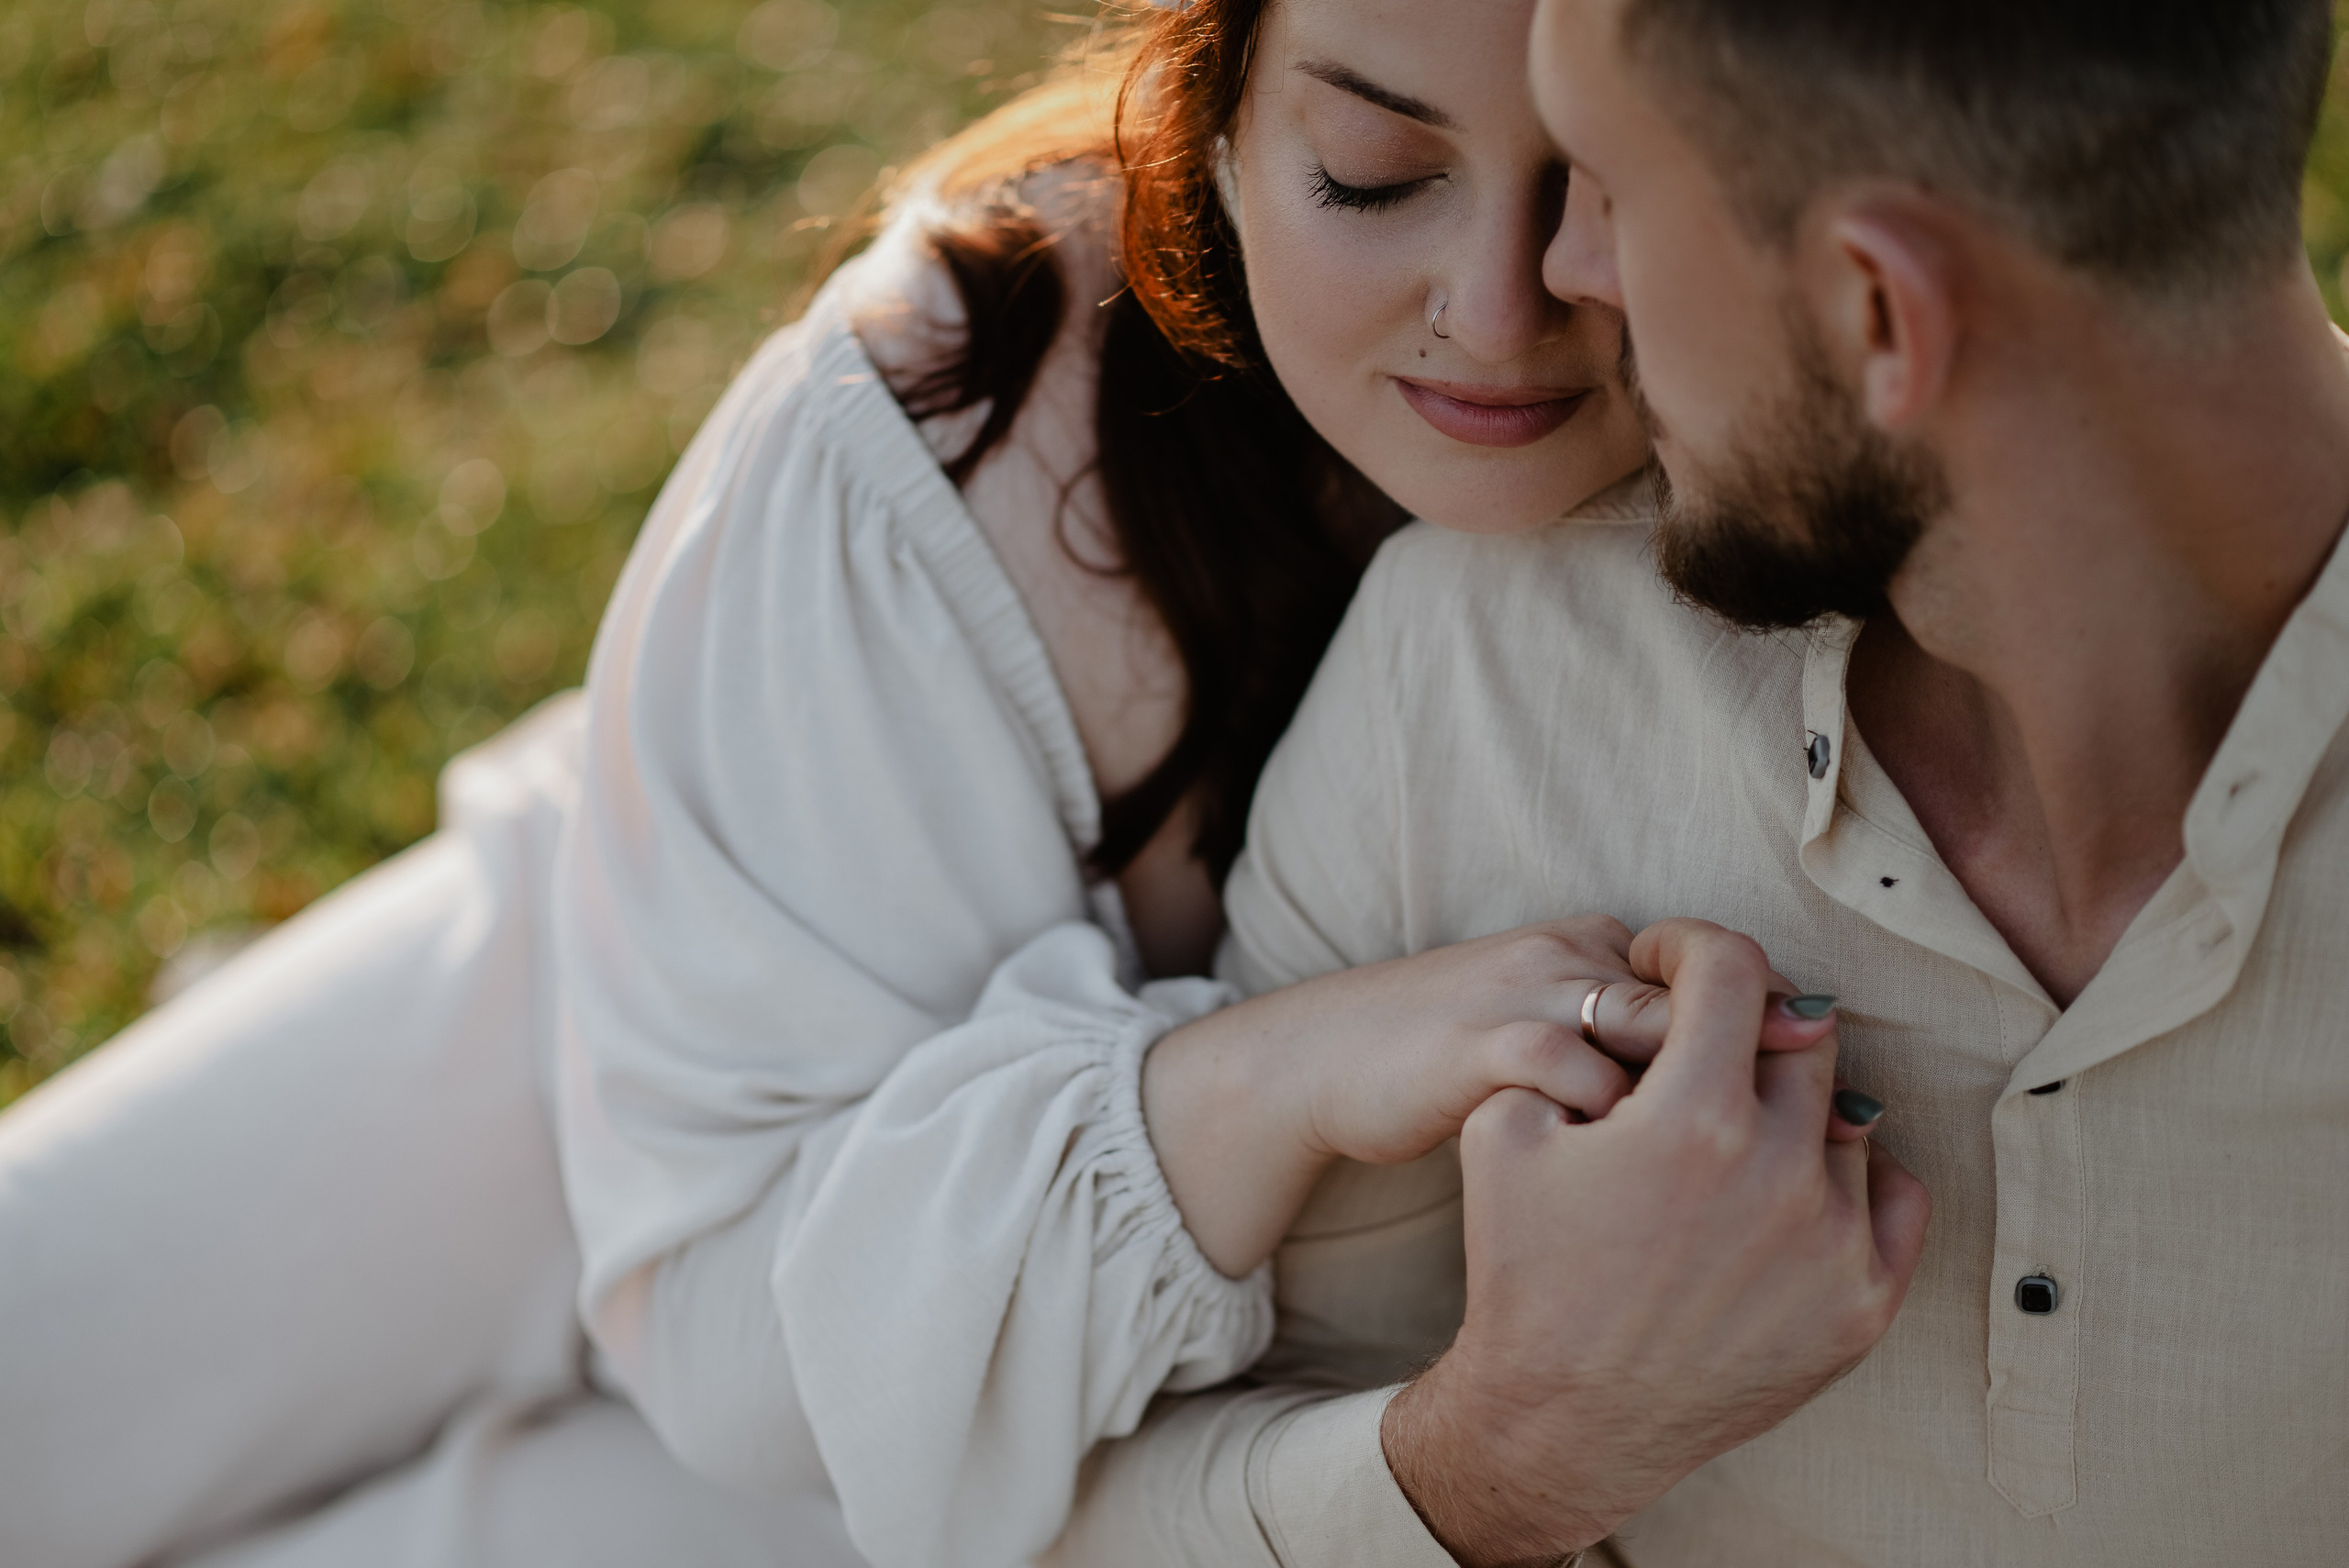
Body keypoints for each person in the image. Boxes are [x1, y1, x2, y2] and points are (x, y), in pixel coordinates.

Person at [0, 4, 1793, 1565]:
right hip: (643, 1025)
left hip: (948, 1483)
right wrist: (1252, 1082)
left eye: (1595, 183)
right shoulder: (952, 414)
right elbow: (718, 1312)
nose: (1494, 307)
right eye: (1367, 170)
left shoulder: (1841, 488)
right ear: (1216, 116)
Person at [1045, 0, 2349, 1563]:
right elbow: (1103, 1504)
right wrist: (1504, 1449)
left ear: (1879, 312)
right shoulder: (1479, 670)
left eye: (1605, 182)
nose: (1554, 288)